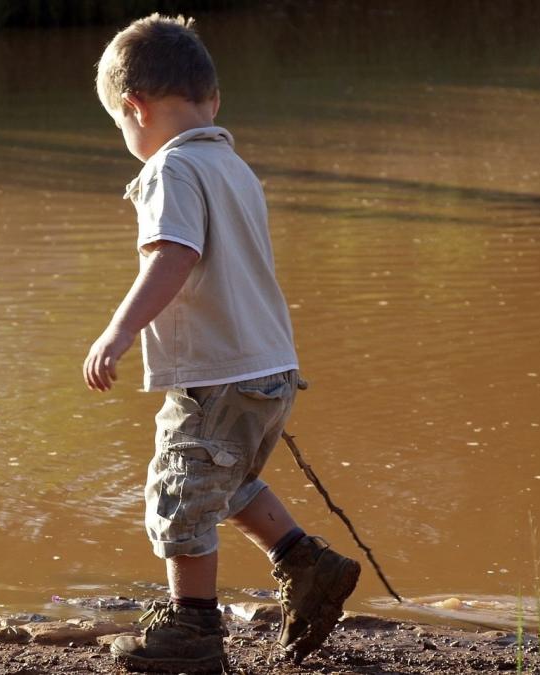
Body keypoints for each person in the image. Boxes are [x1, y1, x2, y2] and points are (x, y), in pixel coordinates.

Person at [81, 13, 361, 673]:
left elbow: (173, 255)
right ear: (212, 100)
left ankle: (192, 630)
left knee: (178, 489)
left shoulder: (170, 170)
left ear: (133, 108)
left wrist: (118, 330)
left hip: (219, 374)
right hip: (268, 367)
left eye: (120, 124)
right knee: (226, 480)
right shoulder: (228, 163)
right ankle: (305, 562)